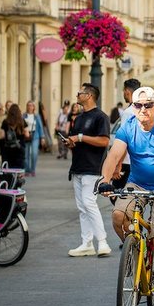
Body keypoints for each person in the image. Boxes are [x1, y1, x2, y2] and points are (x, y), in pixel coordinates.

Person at [98, 86, 154, 306]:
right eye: (138, 105)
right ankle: (133, 252)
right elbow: (114, 155)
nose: (143, 109)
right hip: (137, 184)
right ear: (132, 107)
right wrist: (104, 181)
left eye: (147, 105)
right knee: (117, 216)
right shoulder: (128, 127)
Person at [64, 83, 112, 258]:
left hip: (93, 167)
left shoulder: (101, 117)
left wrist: (81, 138)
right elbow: (77, 140)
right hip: (77, 166)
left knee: (89, 203)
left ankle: (103, 241)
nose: (77, 95)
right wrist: (71, 142)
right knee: (82, 207)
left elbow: (104, 141)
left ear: (89, 95)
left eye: (80, 92)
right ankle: (87, 243)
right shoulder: (79, 118)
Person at [109, 78, 141, 191]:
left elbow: (124, 140)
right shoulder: (144, 109)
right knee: (135, 194)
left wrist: (118, 164)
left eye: (123, 91)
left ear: (127, 91)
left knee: (116, 194)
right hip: (140, 161)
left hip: (127, 161)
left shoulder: (128, 112)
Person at [1, 103, 27, 170]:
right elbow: (27, 134)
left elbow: (2, 135)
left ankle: (9, 179)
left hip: (8, 148)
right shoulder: (22, 122)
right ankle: (18, 178)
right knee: (19, 168)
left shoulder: (5, 122)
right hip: (19, 147)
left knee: (8, 168)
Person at [23, 100, 41, 176]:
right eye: (28, 105)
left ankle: (33, 170)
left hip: (35, 135)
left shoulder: (36, 116)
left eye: (31, 105)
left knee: (34, 153)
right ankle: (27, 170)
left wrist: (42, 137)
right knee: (26, 154)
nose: (30, 107)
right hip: (26, 136)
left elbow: (40, 127)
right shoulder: (23, 115)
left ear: (34, 107)